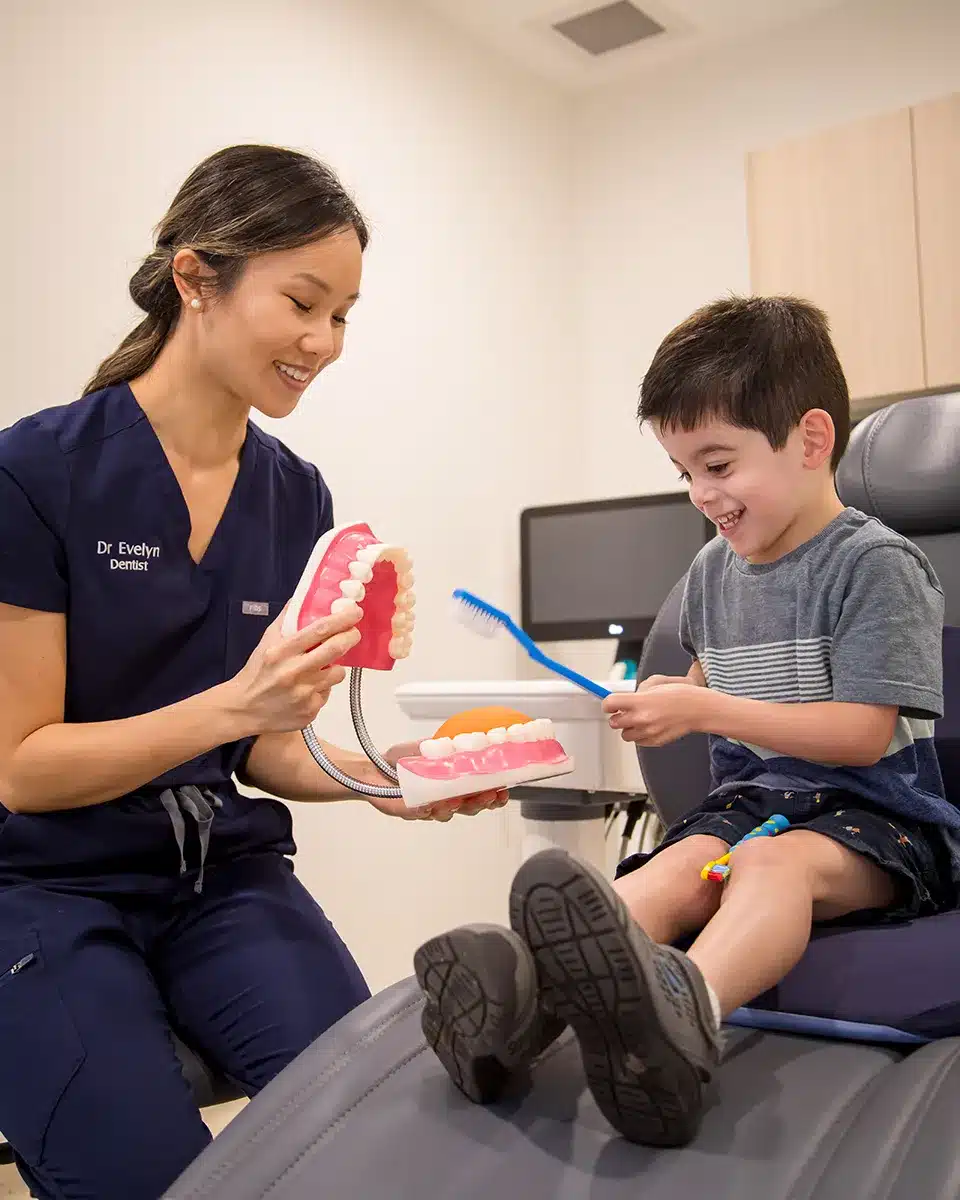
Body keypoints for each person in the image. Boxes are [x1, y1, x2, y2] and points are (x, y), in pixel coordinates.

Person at [0, 143, 505, 1200]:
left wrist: (388, 776)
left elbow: (266, 749)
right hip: (43, 883)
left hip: (219, 878)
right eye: (302, 303)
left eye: (344, 316)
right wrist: (235, 702)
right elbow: (24, 769)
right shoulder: (35, 473)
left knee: (376, 1143)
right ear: (197, 280)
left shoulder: (295, 498)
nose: (323, 343)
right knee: (151, 1178)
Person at [415, 295, 955, 1148]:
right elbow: (711, 686)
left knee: (769, 865)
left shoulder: (877, 566)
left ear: (811, 441)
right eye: (685, 473)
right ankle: (517, 1008)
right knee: (676, 869)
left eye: (719, 464)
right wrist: (660, 704)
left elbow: (861, 734)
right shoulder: (712, 573)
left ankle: (680, 1025)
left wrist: (700, 705)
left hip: (877, 821)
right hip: (748, 807)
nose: (704, 495)